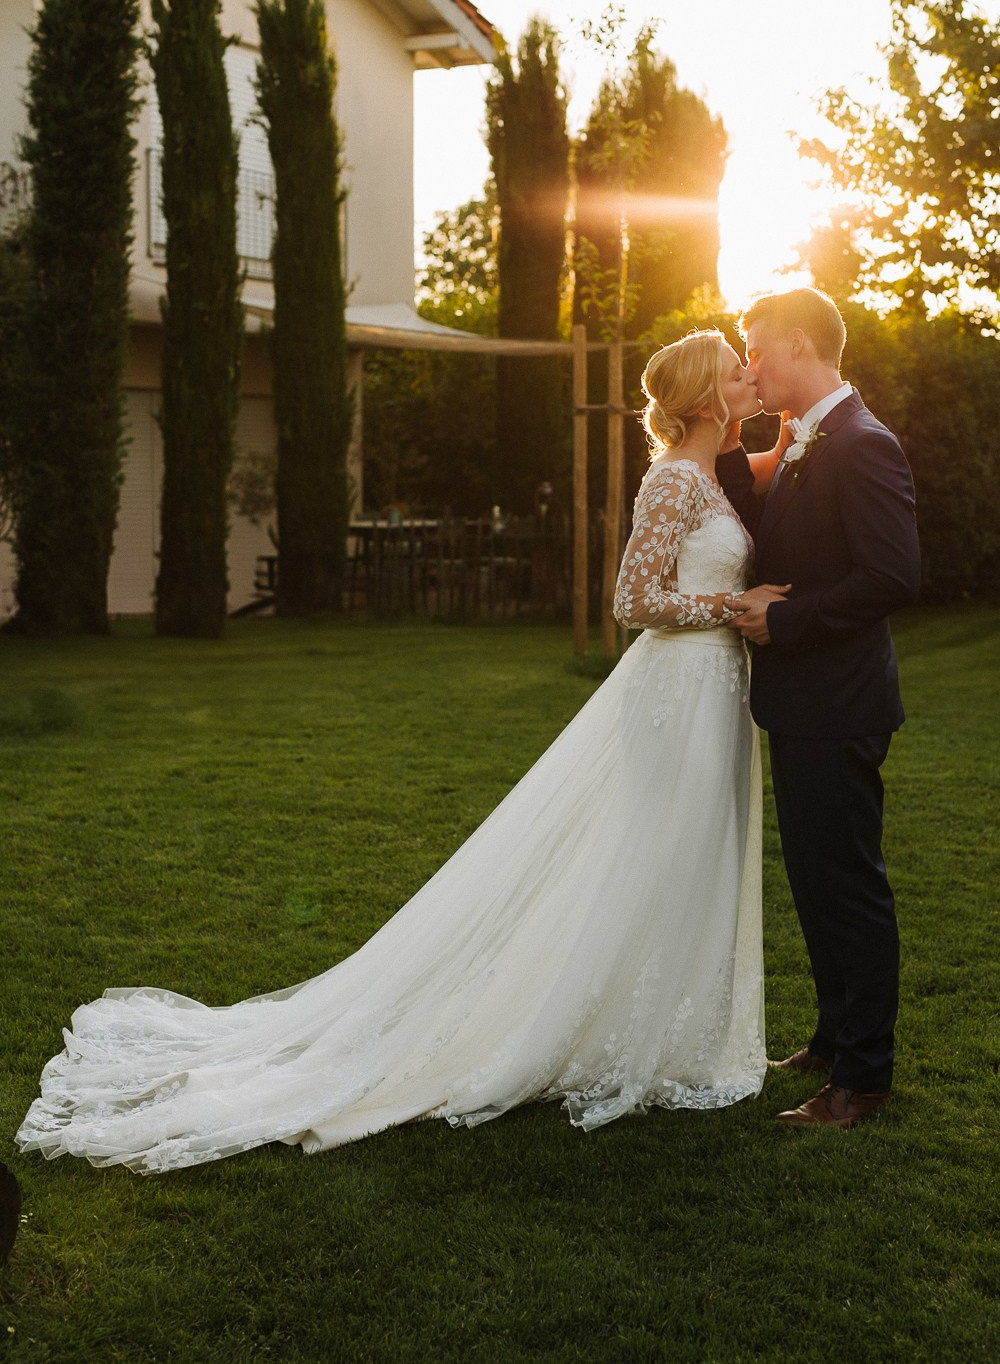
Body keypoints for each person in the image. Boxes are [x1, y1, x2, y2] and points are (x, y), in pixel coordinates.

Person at [18, 331, 770, 1175]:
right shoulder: (672, 479)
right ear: (705, 397)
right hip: (676, 693)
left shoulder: (711, 473)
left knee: (689, 858)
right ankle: (620, 1033)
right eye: (736, 371)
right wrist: (735, 606)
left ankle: (668, 1031)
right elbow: (634, 599)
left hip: (710, 694)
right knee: (656, 855)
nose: (750, 377)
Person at [719, 288, 920, 1130]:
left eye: (757, 349)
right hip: (803, 705)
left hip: (839, 704)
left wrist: (786, 620)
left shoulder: (864, 445)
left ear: (799, 342)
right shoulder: (803, 439)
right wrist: (728, 427)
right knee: (814, 882)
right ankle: (834, 1039)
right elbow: (755, 508)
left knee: (849, 888)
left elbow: (891, 575)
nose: (751, 363)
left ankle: (863, 1081)